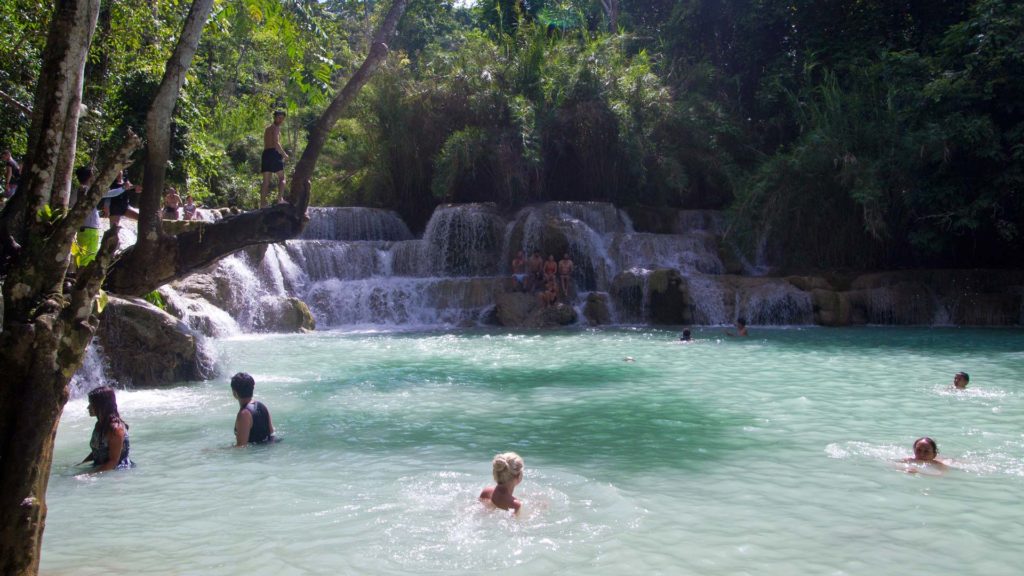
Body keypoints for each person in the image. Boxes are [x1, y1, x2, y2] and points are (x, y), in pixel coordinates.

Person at [69, 166, 129, 267]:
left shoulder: (76, 191)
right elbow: (109, 194)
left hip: (82, 228)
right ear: (90, 177)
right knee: (88, 258)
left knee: (81, 256)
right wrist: (123, 188)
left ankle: (77, 276)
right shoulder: (89, 191)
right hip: (90, 229)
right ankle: (81, 278)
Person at [80, 386, 133, 471]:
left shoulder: (116, 429)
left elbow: (113, 462)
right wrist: (80, 465)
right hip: (101, 467)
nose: (88, 407)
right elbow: (97, 452)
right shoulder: (99, 424)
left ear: (101, 406)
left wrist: (88, 475)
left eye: (91, 404)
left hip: (118, 472)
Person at [230, 372, 275, 445]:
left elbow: (241, 447)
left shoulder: (244, 414)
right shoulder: (262, 406)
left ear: (234, 393)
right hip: (266, 452)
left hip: (257, 454)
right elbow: (271, 433)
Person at [260, 110, 289, 208]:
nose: (280, 120)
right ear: (275, 117)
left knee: (266, 181)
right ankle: (280, 199)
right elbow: (276, 143)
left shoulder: (268, 128)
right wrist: (284, 155)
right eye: (278, 117)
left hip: (266, 154)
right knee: (282, 178)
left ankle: (262, 204)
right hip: (273, 153)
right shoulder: (276, 128)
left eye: (282, 118)